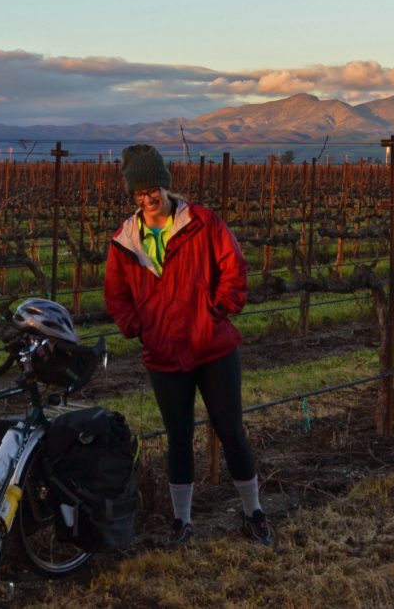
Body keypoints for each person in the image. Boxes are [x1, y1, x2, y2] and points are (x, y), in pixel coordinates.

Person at [103, 143, 274, 547]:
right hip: (164, 354)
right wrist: (138, 327)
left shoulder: (202, 222)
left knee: (231, 430)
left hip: (213, 349)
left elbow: (235, 269)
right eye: (138, 194)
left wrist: (216, 311)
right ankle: (182, 522)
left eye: (152, 191)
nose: (147, 200)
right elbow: (116, 294)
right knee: (177, 437)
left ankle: (254, 513)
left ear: (165, 186)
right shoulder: (125, 240)